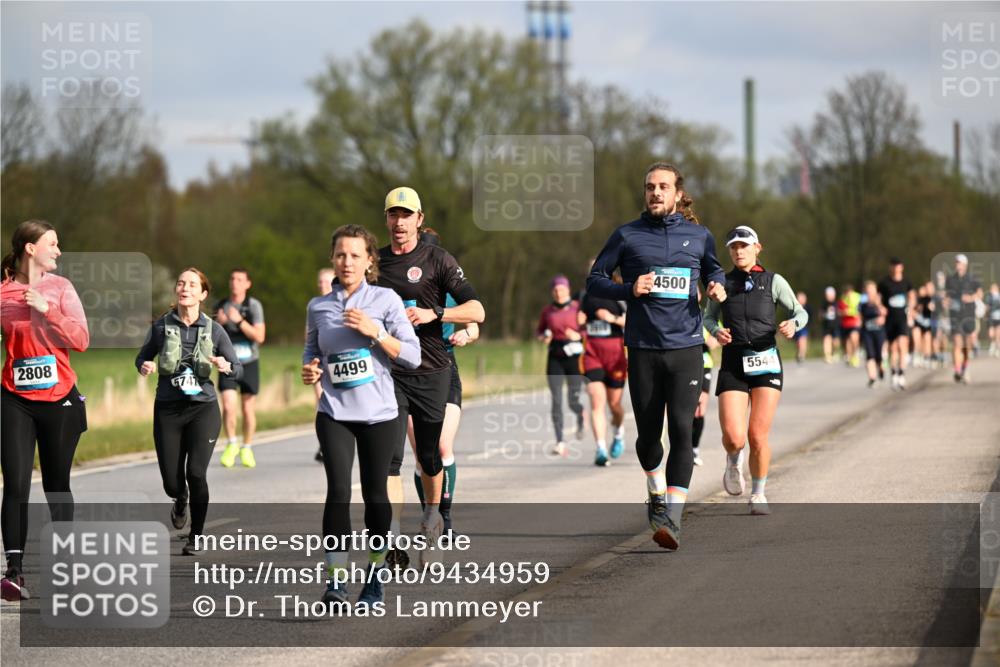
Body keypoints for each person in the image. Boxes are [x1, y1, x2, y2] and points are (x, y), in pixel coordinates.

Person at [588, 162, 727, 550]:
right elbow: (595, 281)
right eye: (650, 187)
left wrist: (716, 286)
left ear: (678, 194)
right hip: (644, 349)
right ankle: (655, 490)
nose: (655, 192)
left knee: (682, 428)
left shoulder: (699, 236)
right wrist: (629, 289)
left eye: (663, 186)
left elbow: (714, 272)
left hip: (686, 348)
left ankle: (673, 519)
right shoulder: (627, 235)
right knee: (649, 436)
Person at [302, 224, 420, 609]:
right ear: (332, 259)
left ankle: (374, 577)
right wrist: (311, 370)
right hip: (334, 412)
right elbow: (312, 352)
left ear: (370, 260)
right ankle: (336, 582)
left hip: (379, 415)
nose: (347, 262)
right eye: (340, 255)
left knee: (374, 496)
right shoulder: (318, 307)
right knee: (338, 492)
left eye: (355, 255)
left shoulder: (386, 300)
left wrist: (376, 333)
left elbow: (412, 355)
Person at [376, 186, 485, 568]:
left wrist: (435, 313)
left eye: (407, 215)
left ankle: (432, 518)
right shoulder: (376, 264)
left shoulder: (438, 259)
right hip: (391, 372)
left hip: (434, 370)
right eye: (393, 214)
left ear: (419, 219)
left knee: (430, 456)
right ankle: (390, 536)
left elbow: (477, 310)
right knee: (389, 458)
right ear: (386, 219)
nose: (399, 222)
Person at [1, 220, 89, 602]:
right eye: (52, 244)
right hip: (14, 398)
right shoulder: (3, 292)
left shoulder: (61, 288)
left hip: (60, 398)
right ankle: (14, 572)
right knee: (15, 484)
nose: (58, 250)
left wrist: (47, 309)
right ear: (30, 248)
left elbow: (82, 340)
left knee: (56, 485)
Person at [136, 268, 242, 556]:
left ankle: (196, 536)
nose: (185, 288)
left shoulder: (214, 330)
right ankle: (179, 497)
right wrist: (145, 365)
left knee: (196, 473)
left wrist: (226, 366)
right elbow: (142, 357)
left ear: (202, 294)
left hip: (202, 409)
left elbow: (237, 368)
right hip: (168, 410)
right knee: (172, 482)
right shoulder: (161, 327)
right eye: (181, 283)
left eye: (192, 285)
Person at [704, 226, 808, 516]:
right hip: (733, 361)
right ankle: (733, 460)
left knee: (757, 435)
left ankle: (759, 493)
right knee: (734, 438)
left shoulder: (773, 281)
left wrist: (793, 324)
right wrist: (716, 331)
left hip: (766, 360)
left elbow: (800, 312)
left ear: (757, 248)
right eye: (734, 247)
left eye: (744, 246)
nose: (739, 251)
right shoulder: (722, 283)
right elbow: (707, 317)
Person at [407, 229, 479, 537]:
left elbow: (474, 322)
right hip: (408, 372)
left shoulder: (447, 287)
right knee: (422, 456)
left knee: (441, 445)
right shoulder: (398, 285)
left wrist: (466, 334)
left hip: (444, 370)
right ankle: (429, 514)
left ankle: (444, 517)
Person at [215, 268, 266, 468]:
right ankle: (231, 444)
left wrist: (239, 321)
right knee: (228, 405)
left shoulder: (253, 306)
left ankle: (247, 447)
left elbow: (260, 337)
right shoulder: (221, 306)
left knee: (247, 408)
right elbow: (210, 338)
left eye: (239, 279)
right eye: (232, 279)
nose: (235, 282)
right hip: (227, 363)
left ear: (247, 284)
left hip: (249, 362)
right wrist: (219, 324)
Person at [579, 271, 627, 466]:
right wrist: (580, 320)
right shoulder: (587, 296)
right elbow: (580, 319)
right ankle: (600, 449)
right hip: (593, 354)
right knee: (596, 401)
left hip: (616, 356)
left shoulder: (622, 294)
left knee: (614, 405)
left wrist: (611, 318)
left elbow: (633, 321)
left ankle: (619, 432)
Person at [537, 275, 586, 457]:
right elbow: (539, 331)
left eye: (562, 289)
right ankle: (560, 441)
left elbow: (587, 330)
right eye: (556, 290)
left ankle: (580, 415)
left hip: (573, 357)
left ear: (568, 290)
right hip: (555, 357)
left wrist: (579, 336)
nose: (559, 293)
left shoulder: (577, 308)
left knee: (573, 400)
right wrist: (544, 337)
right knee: (556, 400)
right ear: (552, 292)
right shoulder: (547, 311)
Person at [877, 258, 915, 390]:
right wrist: (880, 308)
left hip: (902, 318)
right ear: (890, 268)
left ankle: (902, 374)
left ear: (901, 267)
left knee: (902, 345)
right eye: (893, 266)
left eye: (898, 266)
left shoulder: (906, 282)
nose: (895, 269)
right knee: (892, 348)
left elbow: (912, 296)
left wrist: (911, 310)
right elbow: (878, 298)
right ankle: (894, 374)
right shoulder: (884, 283)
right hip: (890, 319)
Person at [946, 254, 983, 383]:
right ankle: (957, 371)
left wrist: (971, 298)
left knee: (967, 345)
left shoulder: (972, 279)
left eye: (960, 263)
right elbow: (947, 296)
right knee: (957, 343)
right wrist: (947, 302)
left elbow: (980, 293)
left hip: (969, 315)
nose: (958, 265)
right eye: (956, 262)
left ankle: (964, 368)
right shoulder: (950, 279)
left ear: (965, 265)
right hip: (955, 316)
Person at [313, 267, 337, 463]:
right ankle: (325, 445)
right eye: (320, 282)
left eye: (326, 281)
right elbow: (309, 338)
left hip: (337, 362)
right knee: (321, 401)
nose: (323, 285)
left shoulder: (341, 304)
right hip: (319, 362)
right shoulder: (315, 306)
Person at [691, 325, 720, 467]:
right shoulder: (683, 316)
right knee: (687, 410)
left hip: (704, 365)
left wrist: (702, 336)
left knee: (700, 410)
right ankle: (685, 448)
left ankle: (694, 449)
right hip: (687, 364)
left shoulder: (706, 319)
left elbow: (715, 342)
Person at [859, 281, 887, 388]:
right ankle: (872, 378)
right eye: (868, 291)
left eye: (872, 291)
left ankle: (881, 369)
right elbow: (860, 317)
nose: (870, 293)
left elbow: (885, 313)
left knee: (879, 356)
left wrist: (878, 304)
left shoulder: (881, 302)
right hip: (867, 333)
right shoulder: (863, 304)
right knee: (870, 355)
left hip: (879, 332)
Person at [837, 284, 862, 368]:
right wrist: (842, 313)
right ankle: (850, 356)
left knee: (854, 338)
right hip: (845, 323)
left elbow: (861, 309)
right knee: (847, 341)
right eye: (847, 292)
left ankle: (855, 355)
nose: (848, 294)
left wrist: (860, 318)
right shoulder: (843, 299)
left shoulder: (858, 297)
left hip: (855, 322)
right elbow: (839, 311)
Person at [820, 286, 841, 364]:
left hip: (835, 325)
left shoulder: (837, 304)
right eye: (827, 295)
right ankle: (827, 356)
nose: (829, 297)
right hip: (827, 325)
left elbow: (841, 313)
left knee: (836, 342)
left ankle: (835, 352)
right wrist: (824, 315)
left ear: (834, 295)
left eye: (830, 295)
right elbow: (820, 315)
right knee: (826, 339)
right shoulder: (824, 304)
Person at [793, 291, 811, 364]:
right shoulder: (794, 308)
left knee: (802, 340)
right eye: (799, 298)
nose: (801, 300)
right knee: (798, 342)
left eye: (803, 298)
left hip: (804, 327)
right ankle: (800, 352)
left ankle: (801, 355)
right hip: (796, 328)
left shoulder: (808, 308)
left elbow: (811, 317)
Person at [988, 283, 1000, 357]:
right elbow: (988, 306)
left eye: (995, 288)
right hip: (991, 318)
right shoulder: (989, 297)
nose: (993, 290)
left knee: (998, 335)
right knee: (991, 334)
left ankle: (998, 350)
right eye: (992, 288)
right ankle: (993, 343)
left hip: (999, 318)